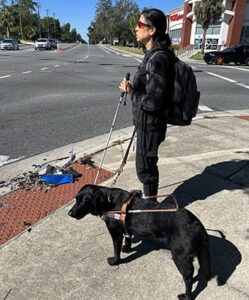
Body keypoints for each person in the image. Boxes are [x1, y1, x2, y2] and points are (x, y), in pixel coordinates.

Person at [119, 8, 175, 200]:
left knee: (146, 169)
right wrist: (133, 89)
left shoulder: (158, 58)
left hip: (150, 125)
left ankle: (152, 209)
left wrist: (131, 92)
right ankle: (150, 204)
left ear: (151, 30)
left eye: (140, 25)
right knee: (145, 166)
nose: (135, 28)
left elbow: (153, 101)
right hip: (145, 123)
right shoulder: (151, 55)